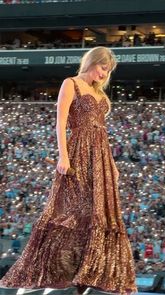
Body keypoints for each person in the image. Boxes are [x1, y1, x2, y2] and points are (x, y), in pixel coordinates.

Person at [0, 46, 138, 295]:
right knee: (71, 211)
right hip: (77, 154)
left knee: (98, 214)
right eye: (103, 68)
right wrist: (63, 156)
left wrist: (112, 164)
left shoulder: (99, 94)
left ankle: (87, 273)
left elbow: (102, 134)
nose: (105, 74)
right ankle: (52, 271)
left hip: (101, 159)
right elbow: (61, 122)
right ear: (93, 62)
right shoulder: (70, 84)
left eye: (109, 71)